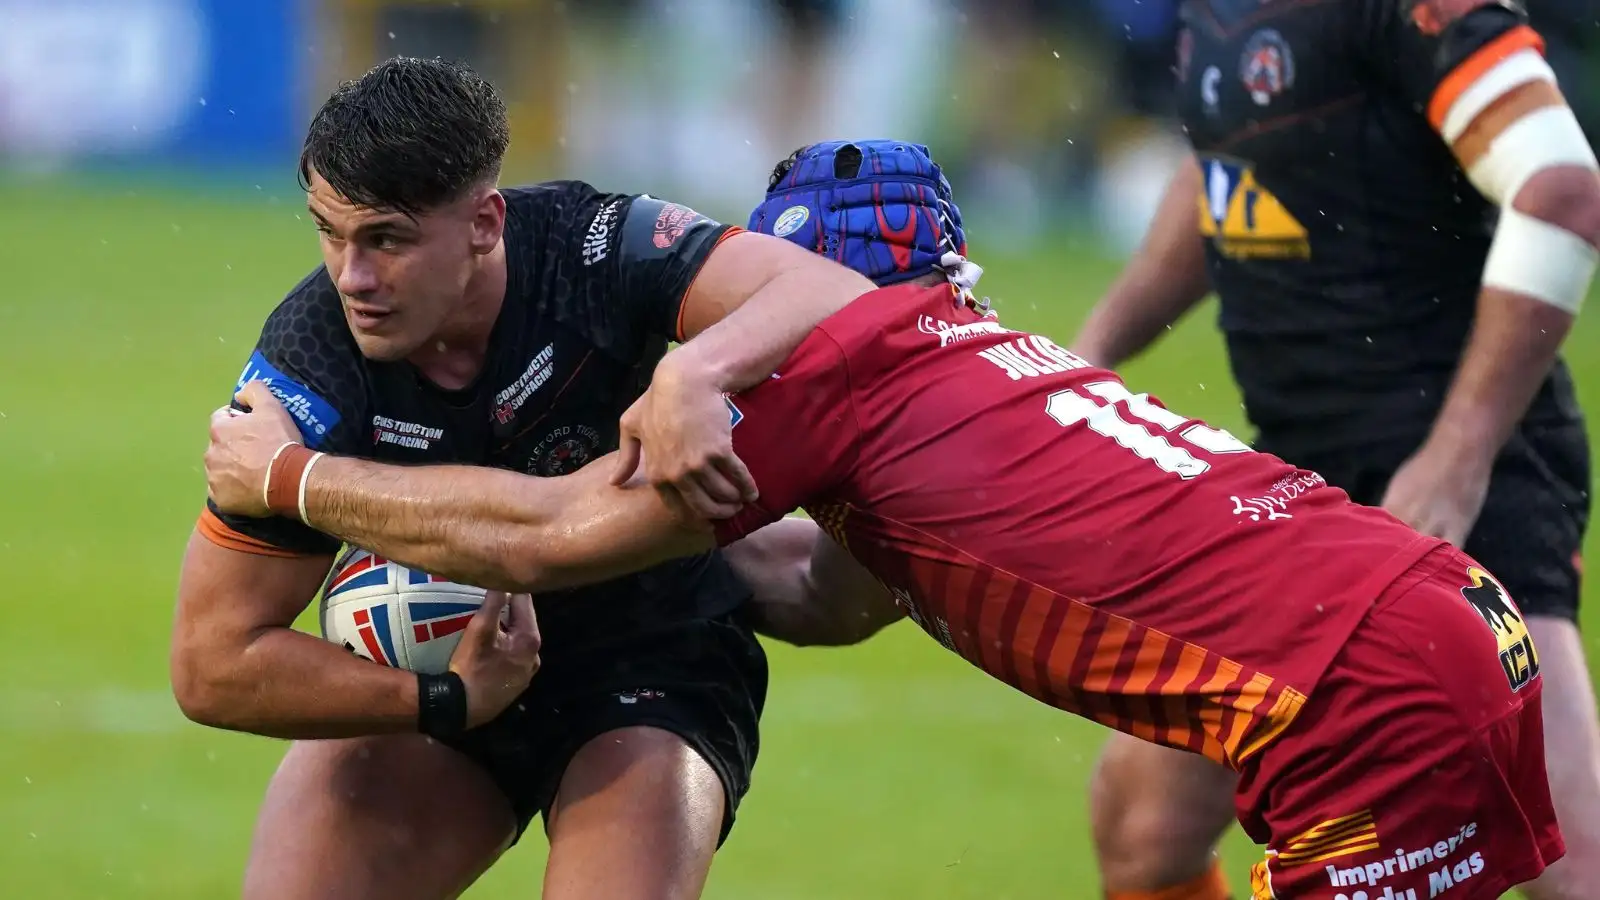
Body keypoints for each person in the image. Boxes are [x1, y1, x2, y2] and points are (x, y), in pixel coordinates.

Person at [206, 140, 1565, 899]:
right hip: (1432, 628)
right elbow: (842, 594)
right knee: (1146, 838)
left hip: (1354, 705)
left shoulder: (831, 376)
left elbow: (549, 538)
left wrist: (296, 483)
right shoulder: (983, 357)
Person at [168, 58, 877, 900]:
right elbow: (210, 663)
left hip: (653, 655)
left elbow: (833, 296)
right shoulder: (310, 362)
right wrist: (439, 700)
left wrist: (696, 373)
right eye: (328, 231)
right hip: (448, 674)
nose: (351, 277)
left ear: (484, 222)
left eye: (387, 239)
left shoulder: (593, 246)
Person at [1068, 0, 1600, 895]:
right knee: (1145, 821)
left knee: (1571, 866)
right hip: (1304, 486)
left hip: (1465, 476)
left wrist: (1457, 459)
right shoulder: (1217, 13)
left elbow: (1562, 189)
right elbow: (1226, 181)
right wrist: (1092, 355)